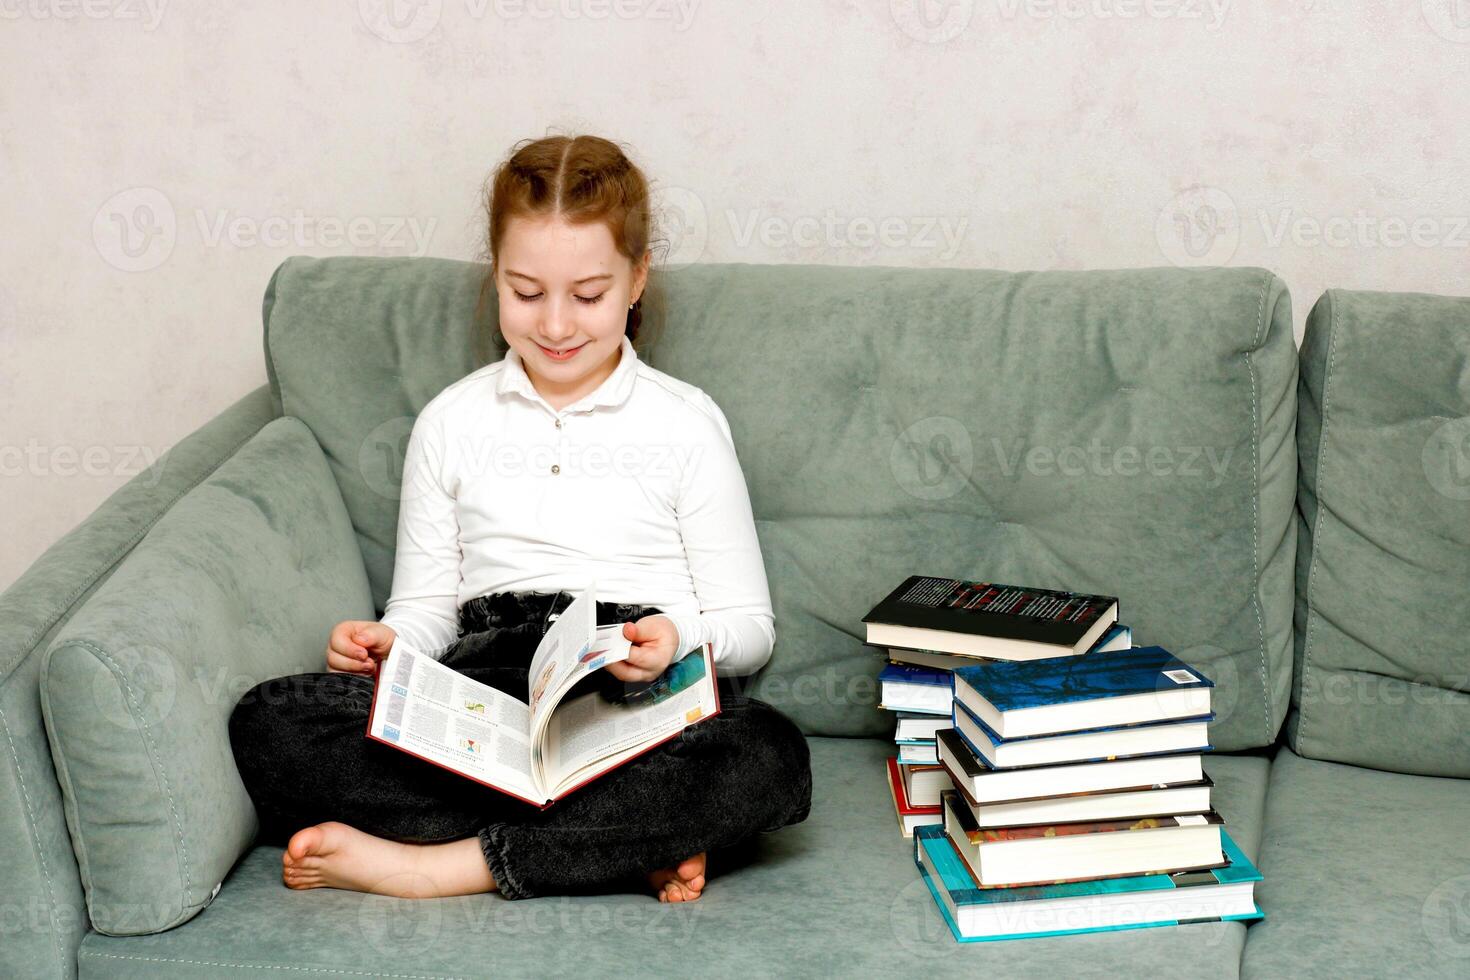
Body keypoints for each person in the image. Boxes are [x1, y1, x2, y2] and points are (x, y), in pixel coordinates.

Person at [228, 133, 812, 905]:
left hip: (635, 697)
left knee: (768, 756)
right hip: (484, 694)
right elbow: (426, 607)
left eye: (590, 294)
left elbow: (749, 625)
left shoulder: (686, 423)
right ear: (495, 278)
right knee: (271, 723)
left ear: (636, 280)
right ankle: (623, 840)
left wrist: (679, 638)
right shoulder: (451, 421)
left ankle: (450, 866)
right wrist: (390, 646)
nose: (557, 326)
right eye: (526, 293)